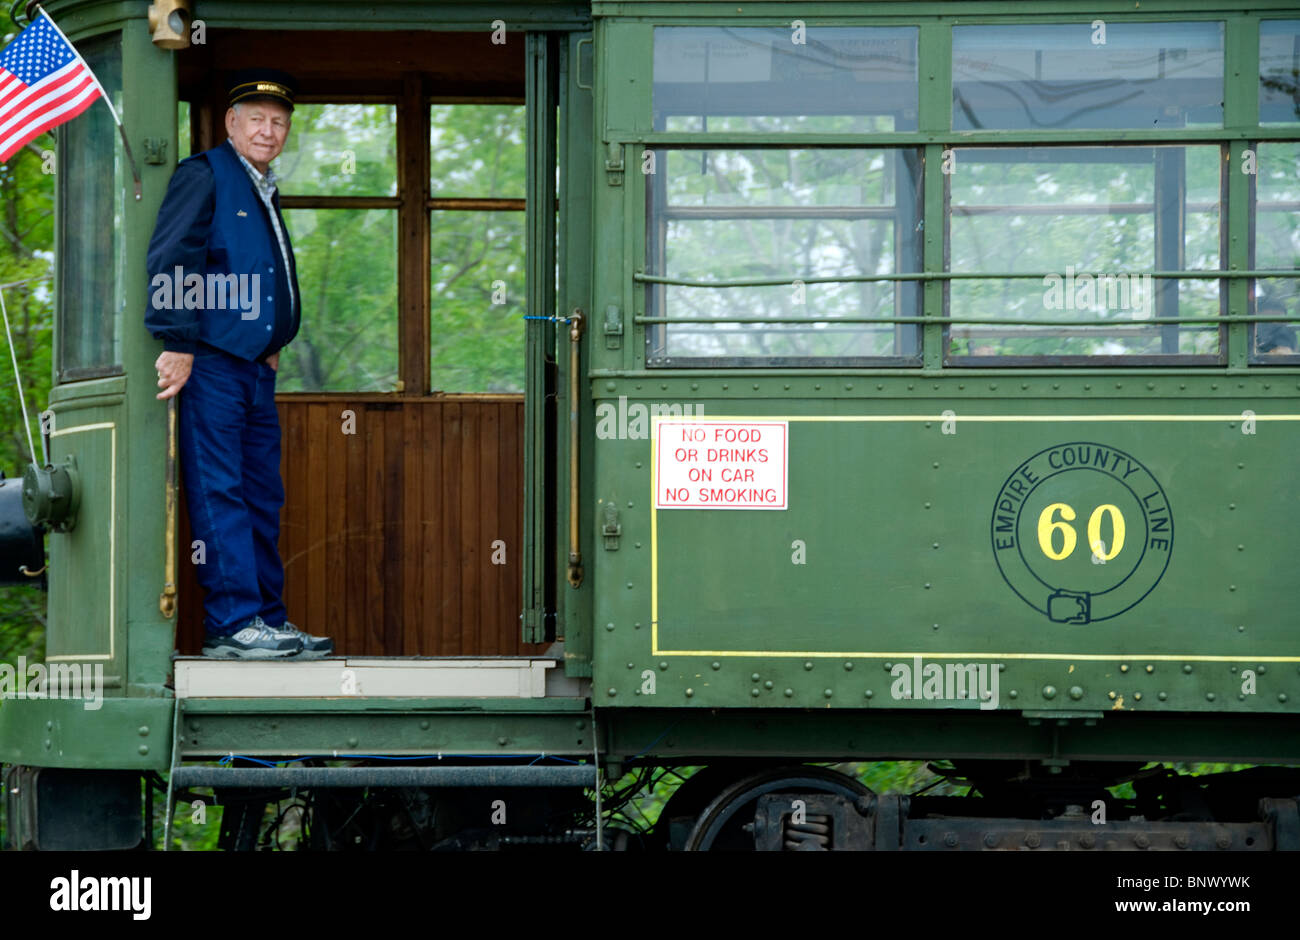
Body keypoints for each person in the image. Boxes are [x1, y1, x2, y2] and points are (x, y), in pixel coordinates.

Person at [145, 69, 332, 660]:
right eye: (256, 118)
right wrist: (177, 342)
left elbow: (263, 272)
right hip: (212, 367)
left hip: (255, 369)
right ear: (232, 123)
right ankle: (232, 624)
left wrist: (273, 337)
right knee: (221, 491)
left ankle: (268, 622)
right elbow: (174, 257)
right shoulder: (204, 174)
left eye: (278, 122)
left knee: (261, 496)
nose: (268, 130)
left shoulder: (263, 185)